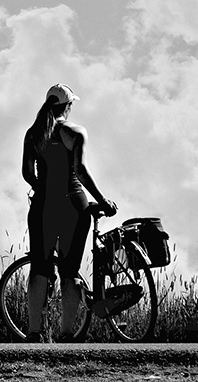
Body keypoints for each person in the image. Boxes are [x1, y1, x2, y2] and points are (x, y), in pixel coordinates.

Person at [21, 83, 118, 343]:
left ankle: (34, 332)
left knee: (39, 268)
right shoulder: (74, 132)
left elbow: (27, 173)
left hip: (42, 207)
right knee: (70, 270)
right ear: (68, 107)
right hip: (73, 206)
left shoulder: (33, 134)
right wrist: (103, 201)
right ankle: (66, 334)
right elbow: (81, 172)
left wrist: (42, 189)